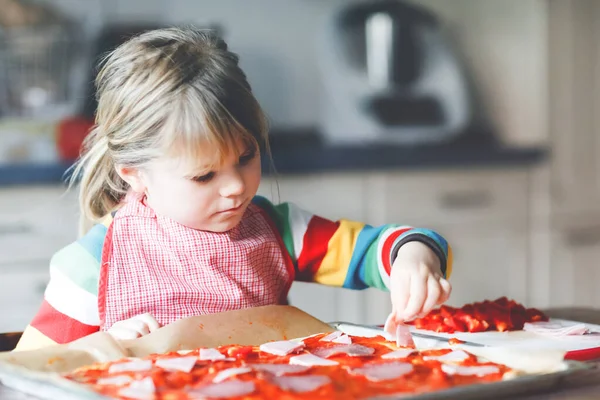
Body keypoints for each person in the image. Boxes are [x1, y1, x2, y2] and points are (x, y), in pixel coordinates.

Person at [15, 27, 452, 351]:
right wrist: (100, 348)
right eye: (204, 176)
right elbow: (29, 371)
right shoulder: (93, 266)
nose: (236, 188)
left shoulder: (278, 231)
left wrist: (415, 257)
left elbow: (379, 249)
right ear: (134, 174)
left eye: (246, 157)